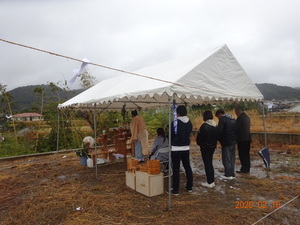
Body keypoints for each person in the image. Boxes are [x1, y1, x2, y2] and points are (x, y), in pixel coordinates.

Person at [169, 105, 193, 195]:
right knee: (187, 167)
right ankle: (189, 186)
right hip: (186, 148)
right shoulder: (189, 122)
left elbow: (170, 135)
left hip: (175, 148)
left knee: (176, 169)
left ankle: (175, 190)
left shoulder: (175, 123)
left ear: (177, 113)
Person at [196, 110, 218, 188]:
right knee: (210, 163)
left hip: (205, 147)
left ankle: (209, 182)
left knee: (207, 164)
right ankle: (212, 181)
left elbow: (199, 138)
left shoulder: (204, 126)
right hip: (212, 147)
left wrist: (199, 143)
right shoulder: (215, 125)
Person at [215, 109, 236, 180]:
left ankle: (228, 174)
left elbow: (220, 131)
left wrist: (218, 138)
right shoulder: (233, 119)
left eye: (218, 117)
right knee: (232, 158)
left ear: (220, 114)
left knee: (226, 159)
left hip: (226, 142)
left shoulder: (223, 119)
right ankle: (232, 173)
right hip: (233, 141)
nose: (218, 118)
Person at [235, 106, 251, 173]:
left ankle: (244, 169)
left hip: (242, 139)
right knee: (246, 154)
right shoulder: (247, 117)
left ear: (238, 111)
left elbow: (236, 127)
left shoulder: (240, 118)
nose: (236, 114)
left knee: (242, 154)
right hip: (248, 138)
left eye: (236, 112)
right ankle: (247, 168)